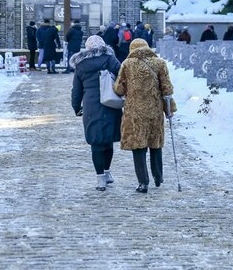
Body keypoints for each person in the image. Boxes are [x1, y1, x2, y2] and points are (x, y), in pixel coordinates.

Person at [113, 38, 176, 193]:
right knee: (155, 144)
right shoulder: (160, 63)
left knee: (138, 146)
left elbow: (119, 89)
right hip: (155, 111)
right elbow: (167, 89)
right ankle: (158, 177)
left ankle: (143, 182)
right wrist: (170, 108)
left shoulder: (127, 64)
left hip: (135, 112)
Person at [70, 35, 123, 192]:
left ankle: (100, 178)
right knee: (107, 140)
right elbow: (122, 77)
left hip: (91, 105)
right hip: (111, 103)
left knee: (96, 141)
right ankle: (107, 172)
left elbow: (76, 90)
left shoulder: (81, 64)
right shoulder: (110, 59)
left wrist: (76, 107)